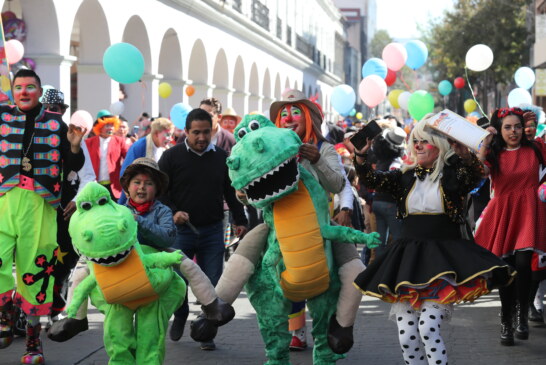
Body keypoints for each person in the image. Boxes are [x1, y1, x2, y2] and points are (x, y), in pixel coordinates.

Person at [353, 116, 515, 365]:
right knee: (407, 334)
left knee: (429, 328)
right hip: (408, 262)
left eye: (424, 141)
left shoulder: (452, 177)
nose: (417, 146)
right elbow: (372, 181)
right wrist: (361, 157)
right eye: (415, 141)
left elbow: (473, 178)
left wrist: (467, 156)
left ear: (439, 145)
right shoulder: (404, 177)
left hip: (443, 262)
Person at [0, 69, 85, 364]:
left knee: (35, 274)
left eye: (30, 87)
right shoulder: (1, 117)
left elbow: (73, 165)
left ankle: (33, 343)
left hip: (40, 207)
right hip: (3, 202)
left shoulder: (54, 123)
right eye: (19, 87)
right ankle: (5, 311)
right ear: (13, 90)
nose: (24, 92)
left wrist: (73, 145)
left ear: (39, 91)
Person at [158, 108, 248, 350]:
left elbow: (231, 191)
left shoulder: (221, 157)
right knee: (177, 281)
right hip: (180, 231)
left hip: (212, 230)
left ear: (213, 131)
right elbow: (160, 192)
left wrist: (240, 220)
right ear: (186, 131)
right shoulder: (171, 157)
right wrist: (173, 212)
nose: (201, 137)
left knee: (212, 283)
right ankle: (181, 312)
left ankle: (206, 332)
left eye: (206, 132)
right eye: (196, 132)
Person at [474, 107, 546, 345]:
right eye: (507, 127)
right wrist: (486, 140)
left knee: (525, 263)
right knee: (506, 270)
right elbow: (478, 172)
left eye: (517, 126)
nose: (513, 131)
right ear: (500, 130)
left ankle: (522, 316)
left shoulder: (535, 148)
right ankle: (506, 321)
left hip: (529, 211)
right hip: (503, 213)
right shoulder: (494, 154)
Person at [41, 88, 96, 327]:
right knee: (35, 261)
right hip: (36, 211)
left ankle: (56, 307)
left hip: (64, 213)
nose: (52, 113)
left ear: (63, 111)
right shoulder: (30, 134)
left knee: (64, 262)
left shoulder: (70, 135)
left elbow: (88, 176)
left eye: (57, 109)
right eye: (47, 109)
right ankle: (25, 312)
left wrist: (76, 201)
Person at [368, 127, 406, 257]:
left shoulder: (379, 160)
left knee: (380, 240)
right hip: (390, 203)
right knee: (397, 238)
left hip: (377, 201)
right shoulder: (396, 163)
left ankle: (379, 267)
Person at [118, 117, 174, 204]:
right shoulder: (140, 146)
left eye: (171, 135)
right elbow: (125, 173)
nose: (170, 138)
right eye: (167, 135)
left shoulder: (164, 149)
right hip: (136, 197)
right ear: (156, 134)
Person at [85, 115, 128, 200]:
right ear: (100, 127)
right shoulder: (88, 142)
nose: (111, 128)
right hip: (95, 185)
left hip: (114, 187)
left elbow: (129, 158)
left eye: (112, 125)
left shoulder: (119, 141)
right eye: (107, 125)